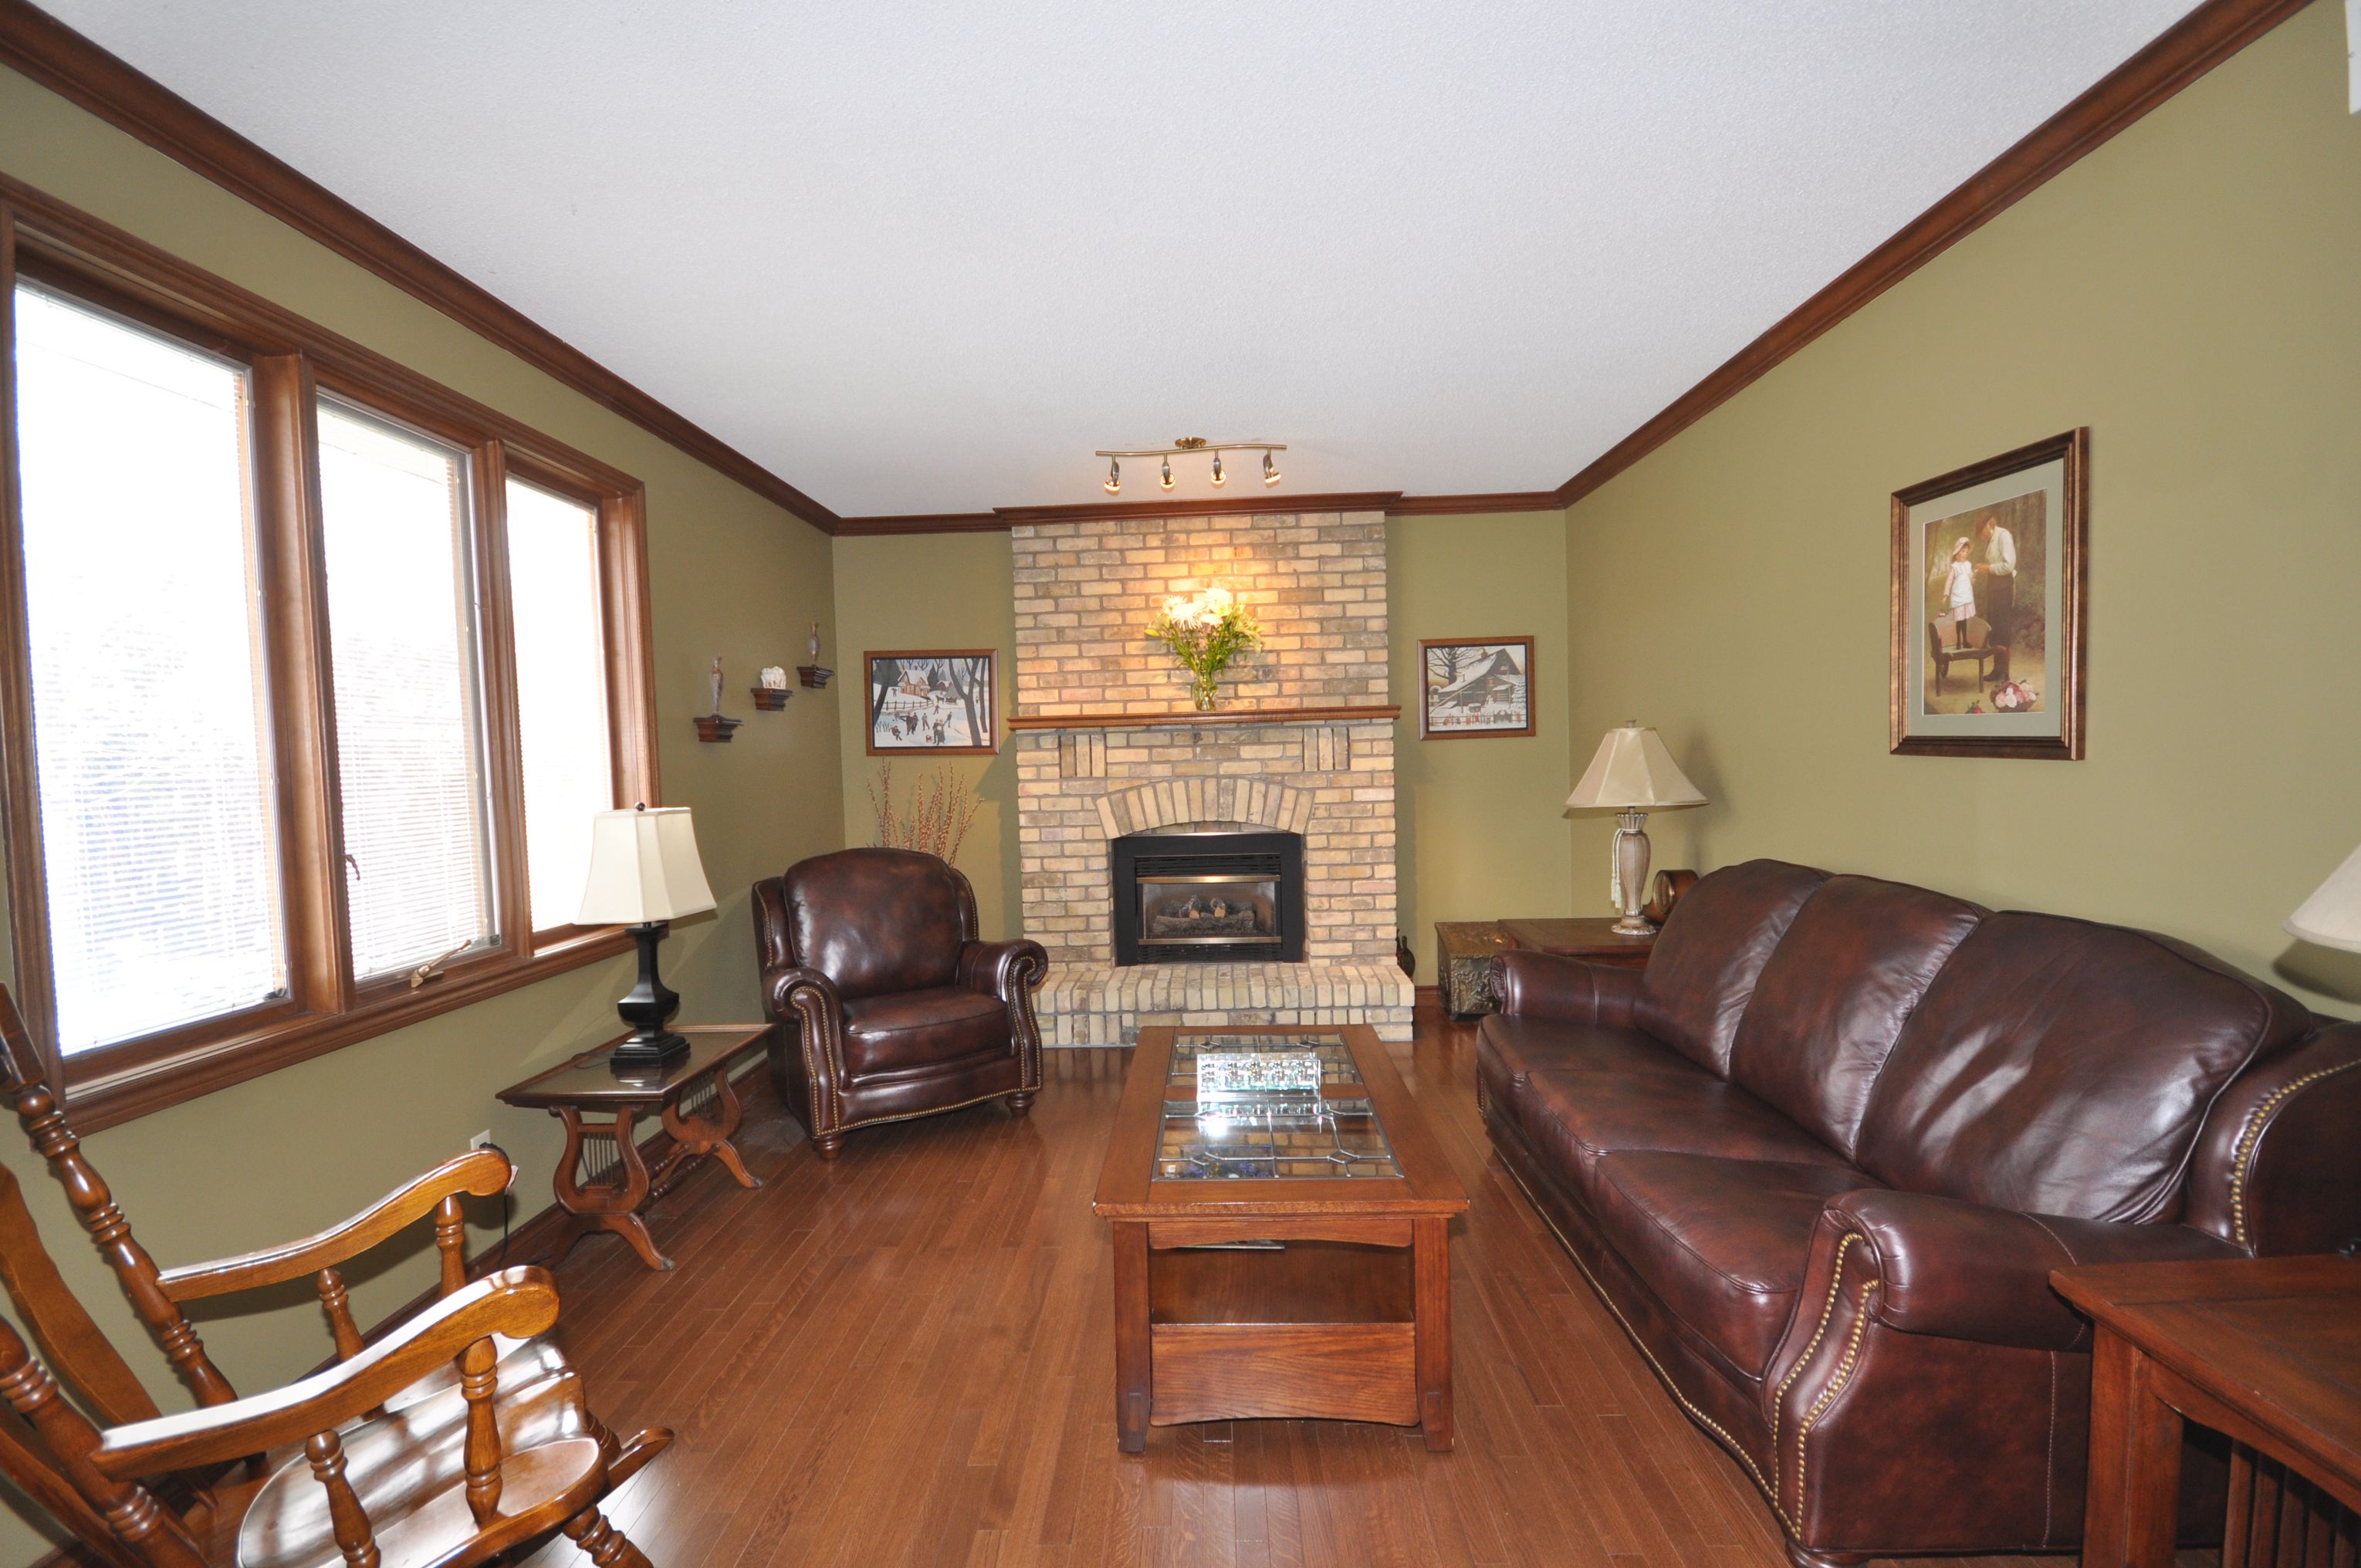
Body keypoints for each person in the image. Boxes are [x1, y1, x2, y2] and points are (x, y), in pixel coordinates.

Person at [1974, 513, 2018, 679]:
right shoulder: (1991, 540)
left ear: (1989, 525)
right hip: (1994, 587)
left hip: (2004, 587)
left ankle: (2005, 672)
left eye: (1982, 531)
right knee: (1994, 628)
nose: (1982, 535)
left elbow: (2008, 565)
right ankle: (1997, 670)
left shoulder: (2003, 536)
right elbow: (1993, 564)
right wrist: (1984, 568)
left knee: (2003, 628)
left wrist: (1989, 568)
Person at [1936, 536, 1977, 647]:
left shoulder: (1968, 565)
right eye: (1962, 551)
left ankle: (1965, 641)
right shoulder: (1955, 567)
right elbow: (1949, 581)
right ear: (1957, 552)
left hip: (1966, 596)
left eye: (1966, 552)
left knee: (1964, 620)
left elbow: (1971, 580)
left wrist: (1975, 574)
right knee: (1959, 620)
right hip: (1958, 596)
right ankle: (1959, 641)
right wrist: (1946, 594)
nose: (1964, 554)